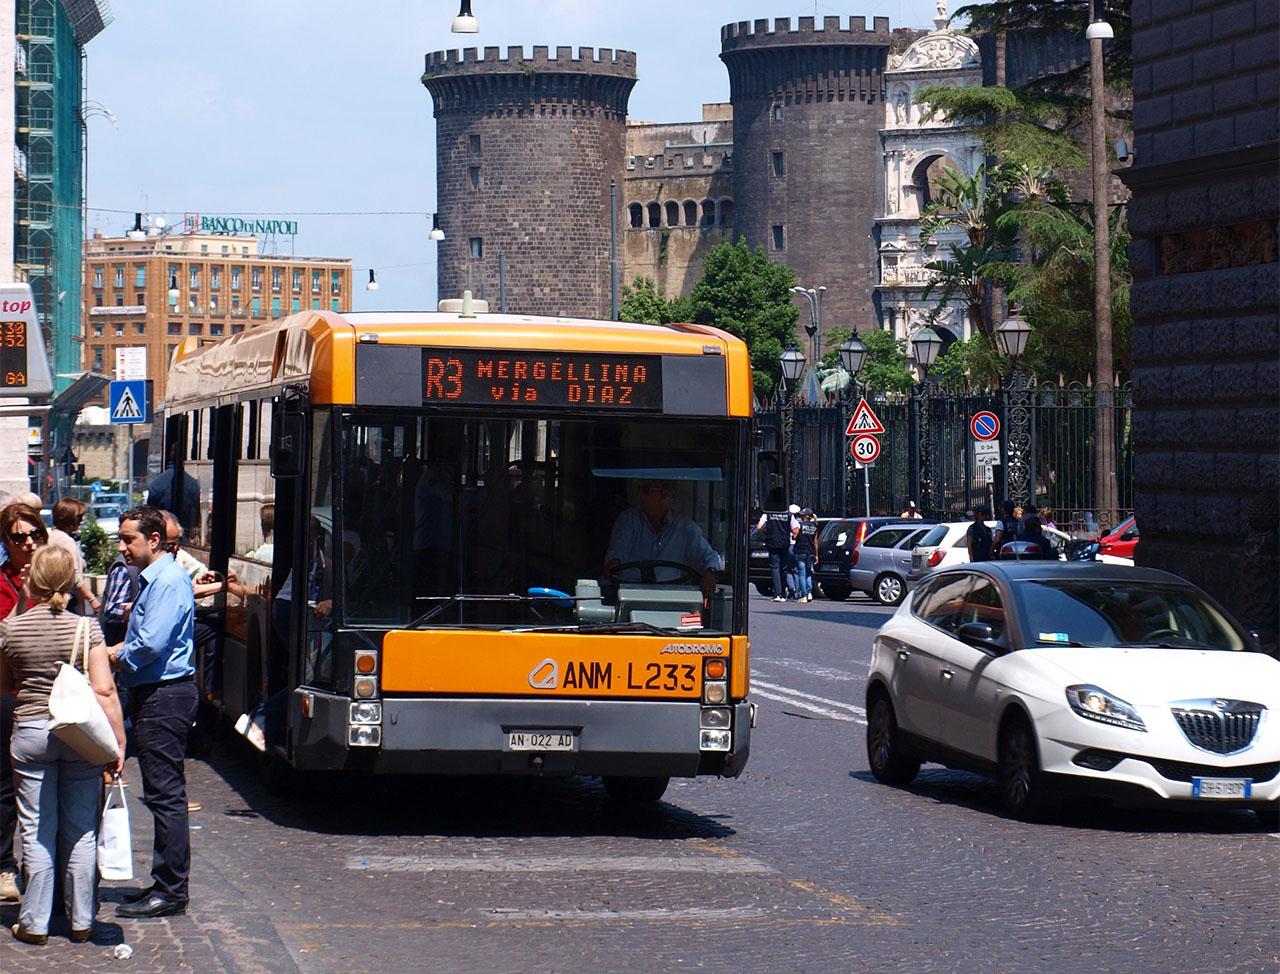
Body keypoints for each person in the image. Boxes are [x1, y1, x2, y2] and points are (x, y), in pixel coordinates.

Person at [0, 545, 126, 945]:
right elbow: (104, 689)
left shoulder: (10, 628)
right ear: (72, 580)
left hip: (32, 732)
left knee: (36, 829)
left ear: (31, 579)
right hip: (78, 734)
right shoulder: (85, 628)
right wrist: (118, 742)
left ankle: (35, 922)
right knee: (81, 828)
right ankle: (81, 919)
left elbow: (4, 686)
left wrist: (21, 604)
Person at [106, 506, 197, 919]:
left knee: (166, 794)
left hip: (165, 693)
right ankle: (164, 882)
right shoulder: (156, 579)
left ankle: (172, 890)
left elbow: (151, 644)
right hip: (157, 692)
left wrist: (115, 655)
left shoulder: (168, 582)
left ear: (155, 540)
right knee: (162, 793)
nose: (122, 546)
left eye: (129, 539)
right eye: (122, 538)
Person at [0, 503, 47, 905]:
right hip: (8, 694)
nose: (28, 543)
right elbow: (4, 638)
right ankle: (3, 864)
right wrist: (25, 596)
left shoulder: (56, 577)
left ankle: (43, 866)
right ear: (6, 542)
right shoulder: (2, 583)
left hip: (49, 695)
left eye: (34, 535)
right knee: (4, 783)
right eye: (19, 537)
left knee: (45, 786)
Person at [605, 480, 720, 600]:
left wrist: (710, 572)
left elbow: (710, 557)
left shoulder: (684, 527)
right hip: (627, 595)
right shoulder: (629, 520)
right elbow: (618, 549)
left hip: (670, 601)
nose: (640, 495)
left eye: (645, 490)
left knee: (691, 617)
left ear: (665, 494)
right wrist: (614, 562)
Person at [47, 498, 99, 617]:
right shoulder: (66, 541)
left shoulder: (50, 536)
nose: (81, 520)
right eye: (79, 517)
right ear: (71, 519)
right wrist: (92, 599)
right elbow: (74, 576)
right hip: (69, 600)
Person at [756, 489, 798, 603]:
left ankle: (777, 593)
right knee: (783, 568)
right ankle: (784, 593)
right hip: (784, 542)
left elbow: (759, 527)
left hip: (772, 541)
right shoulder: (787, 513)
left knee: (774, 567)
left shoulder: (768, 513)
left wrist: (767, 531)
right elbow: (795, 530)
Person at [793, 509, 819, 602]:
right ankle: (809, 593)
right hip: (810, 552)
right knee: (808, 573)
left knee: (801, 573)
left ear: (805, 516)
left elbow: (795, 536)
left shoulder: (800, 525)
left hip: (800, 550)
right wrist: (816, 555)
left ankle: (803, 595)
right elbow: (815, 542)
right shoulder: (815, 526)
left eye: (802, 515)